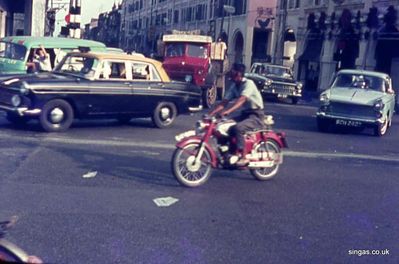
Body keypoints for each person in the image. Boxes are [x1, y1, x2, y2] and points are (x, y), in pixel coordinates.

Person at [209, 63, 265, 166]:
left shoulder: (249, 84)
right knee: (222, 126)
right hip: (245, 114)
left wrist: (227, 112)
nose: (231, 73)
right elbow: (224, 102)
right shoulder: (235, 85)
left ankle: (243, 156)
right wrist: (211, 114)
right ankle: (228, 153)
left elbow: (241, 100)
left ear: (239, 73)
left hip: (256, 115)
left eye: (233, 71)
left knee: (238, 128)